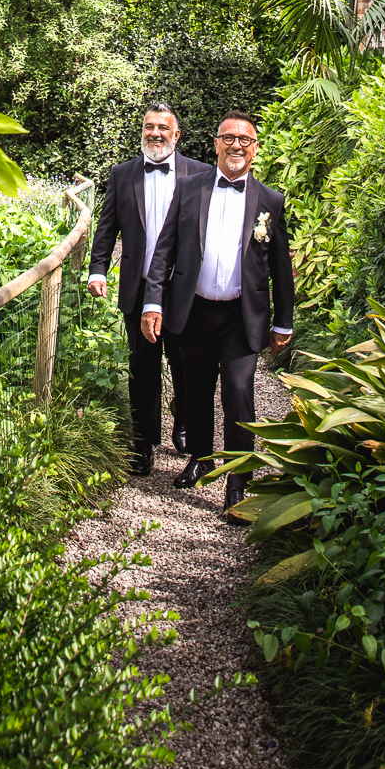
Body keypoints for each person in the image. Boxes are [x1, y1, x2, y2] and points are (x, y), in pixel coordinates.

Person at [141, 111, 294, 512]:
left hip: (242, 318)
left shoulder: (270, 201)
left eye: (245, 139)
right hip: (194, 311)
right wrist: (154, 301)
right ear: (216, 143)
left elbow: (281, 267)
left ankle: (238, 480)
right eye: (229, 138)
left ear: (255, 148)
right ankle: (200, 459)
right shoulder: (190, 189)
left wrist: (284, 321)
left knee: (240, 394)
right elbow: (165, 251)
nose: (237, 146)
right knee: (195, 389)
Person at [87, 102, 210, 475]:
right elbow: (107, 226)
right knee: (142, 366)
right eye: (148, 127)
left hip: (184, 289)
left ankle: (185, 421)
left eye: (162, 127)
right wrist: (98, 269)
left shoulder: (200, 173)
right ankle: (142, 443)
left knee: (187, 362)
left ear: (176, 135)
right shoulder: (122, 175)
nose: (154, 133)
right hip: (139, 287)